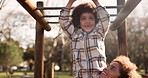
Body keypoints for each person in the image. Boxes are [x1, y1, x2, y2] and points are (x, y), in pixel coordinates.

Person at [59, 0, 110, 78]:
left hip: (98, 76)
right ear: (79, 22)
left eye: (91, 18)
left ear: (95, 21)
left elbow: (105, 18)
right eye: (83, 19)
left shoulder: (99, 32)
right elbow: (63, 21)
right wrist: (70, 2)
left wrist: (96, 2)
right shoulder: (74, 34)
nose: (87, 21)